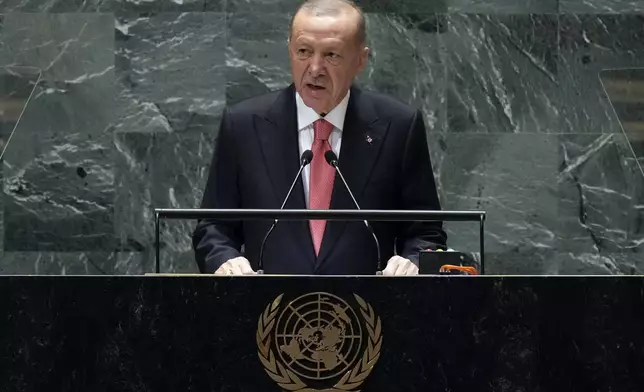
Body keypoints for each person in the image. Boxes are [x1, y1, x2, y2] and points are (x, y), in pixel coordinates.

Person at [192, 0, 447, 276]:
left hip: (366, 312)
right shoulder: (243, 126)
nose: (314, 68)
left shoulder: (398, 127)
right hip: (268, 311)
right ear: (290, 49)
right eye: (303, 51)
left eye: (332, 55)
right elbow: (213, 228)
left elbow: (426, 234)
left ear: (361, 59)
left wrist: (413, 262)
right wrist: (225, 261)